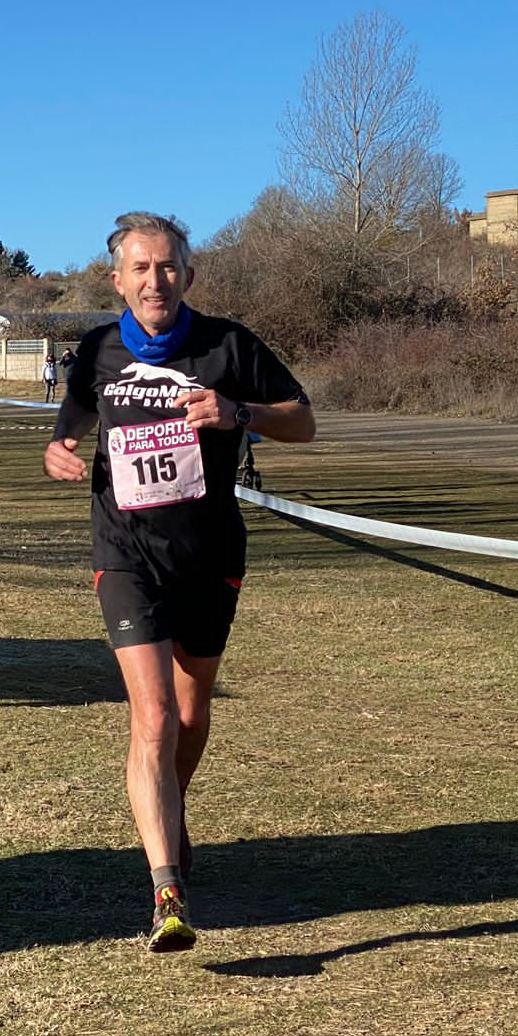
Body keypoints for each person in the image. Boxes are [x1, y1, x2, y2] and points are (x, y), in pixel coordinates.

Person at [45, 212, 315, 952]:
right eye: (139, 269)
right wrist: (58, 450)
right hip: (126, 552)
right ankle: (167, 885)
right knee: (155, 718)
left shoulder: (228, 345)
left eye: (166, 267)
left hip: (210, 552)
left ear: (187, 275)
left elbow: (304, 422)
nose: (154, 281)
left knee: (191, 719)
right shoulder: (97, 349)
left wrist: (238, 413)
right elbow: (72, 417)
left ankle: (166, 805)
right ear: (117, 279)